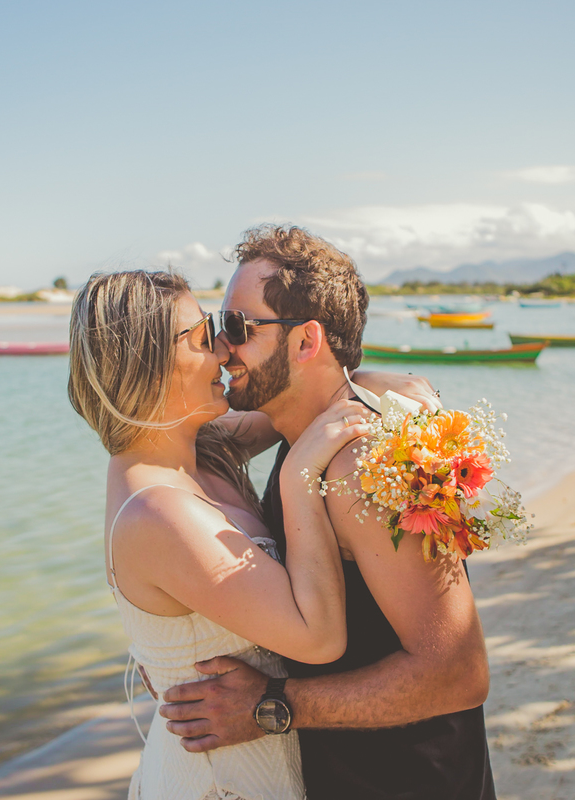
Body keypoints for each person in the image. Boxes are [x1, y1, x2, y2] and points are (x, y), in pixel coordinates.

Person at [67, 269, 439, 800]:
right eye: (202, 337)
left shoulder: (200, 450)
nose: (224, 350)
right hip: (223, 780)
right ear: (148, 363)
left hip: (270, 757)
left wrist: (378, 383)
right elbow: (320, 638)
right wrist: (297, 481)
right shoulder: (157, 512)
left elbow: (309, 393)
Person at [158, 225, 496, 800]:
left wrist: (269, 706)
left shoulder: (358, 469)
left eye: (237, 328)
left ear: (306, 342)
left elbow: (459, 674)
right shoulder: (304, 426)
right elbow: (165, 441)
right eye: (218, 329)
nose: (221, 348)